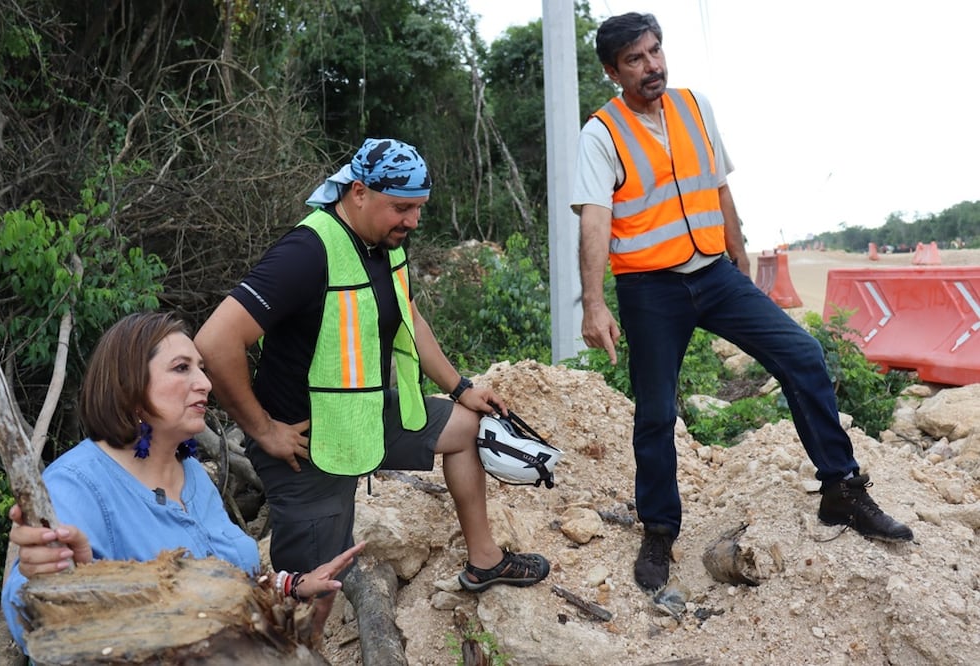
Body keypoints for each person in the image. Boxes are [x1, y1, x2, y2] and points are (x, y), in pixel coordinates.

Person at [572, 13, 914, 592]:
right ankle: (659, 529)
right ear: (613, 71)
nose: (652, 66)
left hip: (715, 273)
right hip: (650, 289)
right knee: (655, 411)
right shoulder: (601, 133)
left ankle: (841, 491)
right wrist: (593, 303)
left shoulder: (694, 107)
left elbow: (720, 186)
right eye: (636, 59)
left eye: (656, 52)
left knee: (802, 355)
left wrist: (741, 252)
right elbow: (596, 221)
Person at [194, 137, 550, 630]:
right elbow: (214, 343)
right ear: (358, 192)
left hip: (367, 417)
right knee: (312, 595)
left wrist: (459, 386)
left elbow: (411, 317)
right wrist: (262, 430)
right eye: (401, 208)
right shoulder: (308, 250)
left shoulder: (384, 244)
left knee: (467, 426)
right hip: (308, 447)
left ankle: (484, 561)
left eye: (419, 209)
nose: (412, 221)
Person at [2, 312, 364, 652]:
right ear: (129, 384)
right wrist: (54, 580)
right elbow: (33, 621)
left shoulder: (191, 474)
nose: (205, 383)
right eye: (181, 368)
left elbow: (230, 582)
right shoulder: (76, 485)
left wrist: (293, 586)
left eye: (202, 369)